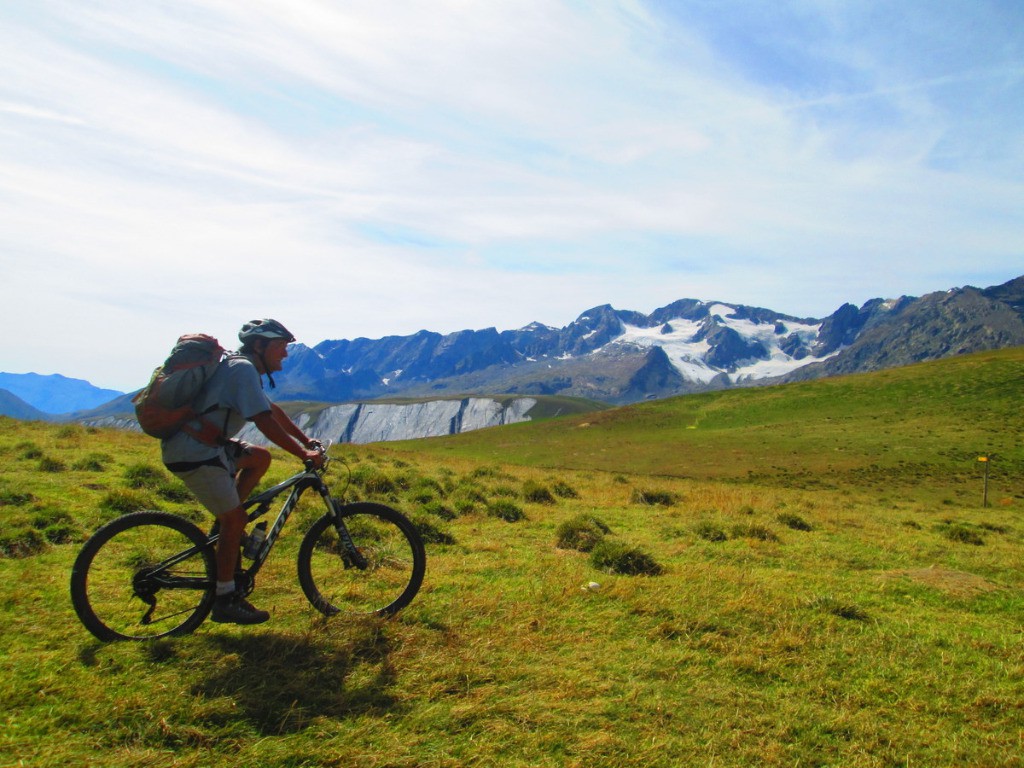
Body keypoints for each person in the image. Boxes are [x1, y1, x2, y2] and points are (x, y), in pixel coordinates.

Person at [162, 318, 324, 625]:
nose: (285, 355)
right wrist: (302, 454)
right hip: (195, 451)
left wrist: (306, 440)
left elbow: (272, 409)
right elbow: (263, 420)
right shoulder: (242, 369)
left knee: (259, 458)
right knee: (234, 520)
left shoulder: (241, 368)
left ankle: (224, 527)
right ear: (260, 346)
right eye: (280, 348)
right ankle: (225, 599)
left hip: (209, 447)